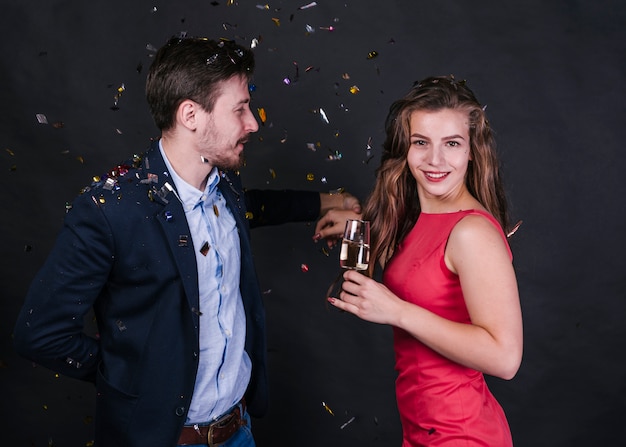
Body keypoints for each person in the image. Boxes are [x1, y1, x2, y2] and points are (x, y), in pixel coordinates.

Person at [13, 36, 360, 447]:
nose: (253, 123)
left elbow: (252, 208)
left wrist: (328, 201)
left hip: (238, 429)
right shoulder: (111, 211)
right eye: (240, 109)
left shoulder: (224, 184)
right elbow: (38, 333)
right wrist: (130, 376)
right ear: (191, 115)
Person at [315, 75, 523, 446]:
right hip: (423, 431)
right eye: (421, 143)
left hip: (462, 435)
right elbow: (418, 266)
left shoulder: (472, 233)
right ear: (406, 149)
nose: (435, 160)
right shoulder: (419, 218)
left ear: (472, 151)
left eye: (452, 144)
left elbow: (505, 358)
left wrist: (398, 312)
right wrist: (359, 226)